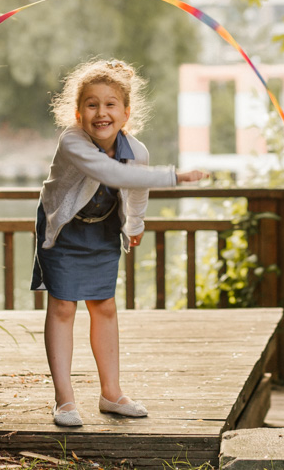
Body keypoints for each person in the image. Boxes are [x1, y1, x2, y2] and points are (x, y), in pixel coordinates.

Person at [31, 59, 209, 427]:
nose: (101, 112)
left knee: (105, 306)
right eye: (92, 104)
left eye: (110, 104)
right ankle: (65, 400)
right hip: (63, 229)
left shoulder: (137, 151)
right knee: (63, 307)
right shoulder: (72, 142)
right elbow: (110, 172)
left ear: (125, 113)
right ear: (79, 113)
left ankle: (111, 394)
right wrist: (175, 175)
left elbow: (136, 188)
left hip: (102, 230)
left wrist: (135, 224)